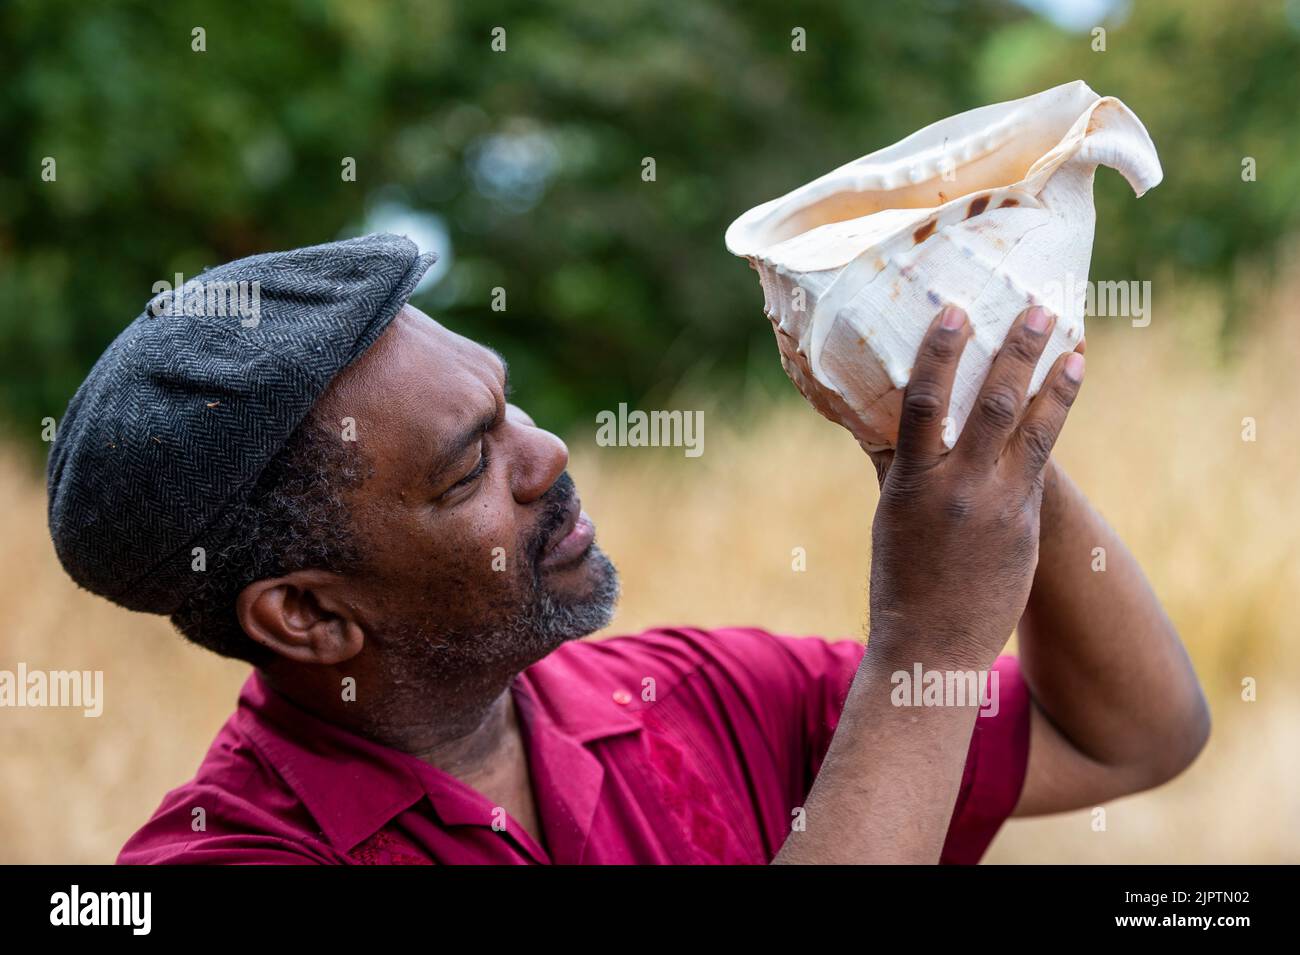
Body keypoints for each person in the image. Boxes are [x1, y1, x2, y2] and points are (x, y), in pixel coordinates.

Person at [46, 235, 1209, 864]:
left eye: (511, 410)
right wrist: (924, 646)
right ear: (306, 616)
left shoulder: (690, 698)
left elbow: (1128, 736)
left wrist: (978, 437)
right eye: (468, 469)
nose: (548, 456)